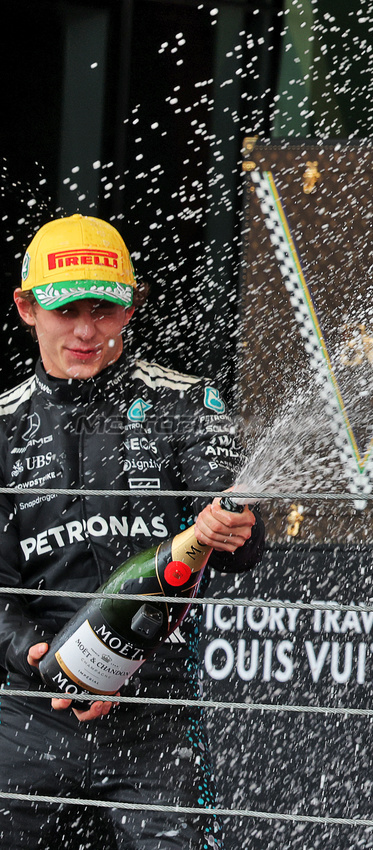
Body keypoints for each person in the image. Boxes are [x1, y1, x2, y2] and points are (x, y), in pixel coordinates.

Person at [0, 214, 263, 848]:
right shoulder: (1, 424)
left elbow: (245, 546)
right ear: (27, 307)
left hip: (155, 710)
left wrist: (227, 526)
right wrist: (42, 661)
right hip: (25, 710)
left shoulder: (191, 402)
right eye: (67, 312)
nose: (86, 331)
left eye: (105, 309)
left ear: (133, 307)